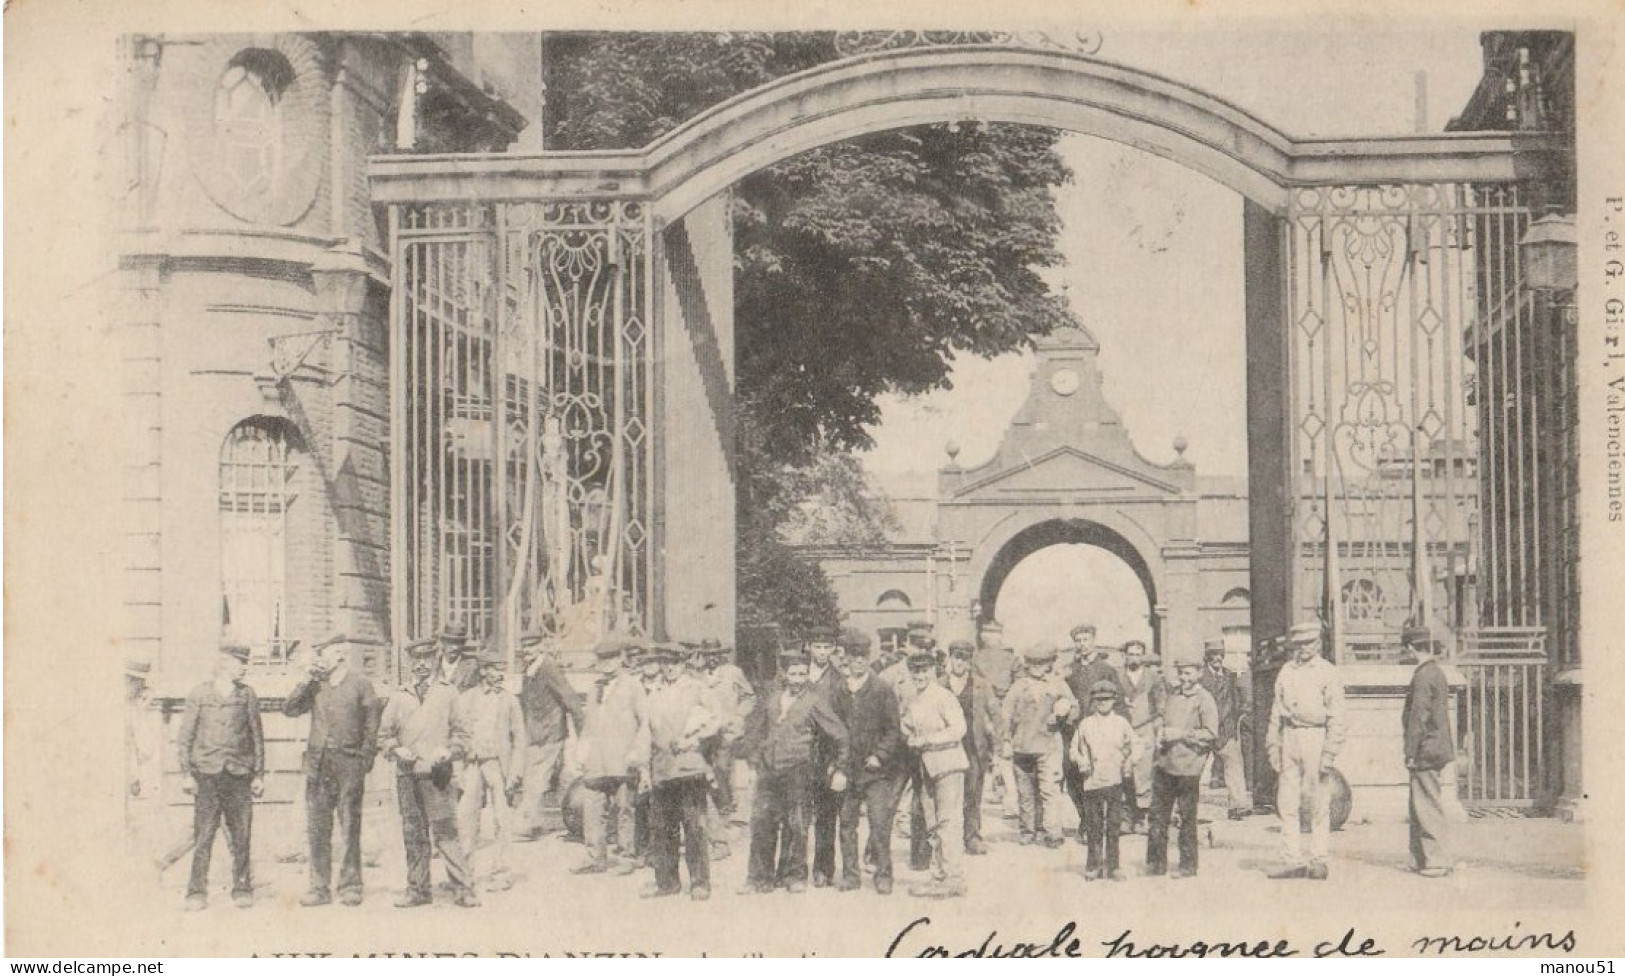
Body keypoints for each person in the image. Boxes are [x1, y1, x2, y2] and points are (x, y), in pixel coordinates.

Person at [739, 647, 850, 895]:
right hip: (769, 769)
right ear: (784, 674)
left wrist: (840, 768)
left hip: (799, 770)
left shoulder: (814, 702)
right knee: (761, 822)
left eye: (803, 674)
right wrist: (753, 764)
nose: (798, 680)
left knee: (797, 824)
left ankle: (794, 875)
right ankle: (759, 877)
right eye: (794, 674)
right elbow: (756, 731)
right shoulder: (771, 698)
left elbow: (841, 735)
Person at [378, 638, 479, 908]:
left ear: (436, 659)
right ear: (410, 662)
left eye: (426, 658)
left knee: (446, 833)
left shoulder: (448, 693)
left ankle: (463, 888)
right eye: (416, 659)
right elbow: (383, 736)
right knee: (413, 834)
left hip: (438, 775)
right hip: (407, 776)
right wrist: (395, 750)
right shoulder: (399, 696)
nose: (421, 665)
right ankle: (418, 890)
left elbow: (464, 735)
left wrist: (449, 751)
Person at [283, 633, 381, 907]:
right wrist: (306, 681)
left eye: (322, 653)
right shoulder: (315, 685)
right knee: (317, 827)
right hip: (318, 763)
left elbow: (372, 726)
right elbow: (289, 709)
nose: (318, 659)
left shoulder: (361, 684)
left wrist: (364, 760)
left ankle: (351, 885)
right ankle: (319, 887)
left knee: (350, 825)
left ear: (339, 654)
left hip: (349, 763)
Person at [177, 640, 265, 910]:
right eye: (241, 663)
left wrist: (259, 774)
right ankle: (196, 892)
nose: (245, 669)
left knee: (242, 834)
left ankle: (242, 887)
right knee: (204, 835)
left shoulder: (247, 695)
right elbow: (185, 738)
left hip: (239, 774)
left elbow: (257, 737)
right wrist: (186, 774)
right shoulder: (199, 694)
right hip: (207, 774)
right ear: (225, 664)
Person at [1266, 622, 1347, 881]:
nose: (1304, 648)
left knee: (1318, 801)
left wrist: (1329, 753)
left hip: (1315, 736)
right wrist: (1273, 746)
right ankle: (1291, 859)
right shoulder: (1286, 672)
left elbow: (1338, 716)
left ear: (1318, 643)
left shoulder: (1327, 672)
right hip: (1289, 736)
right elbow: (1275, 713)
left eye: (1309, 643)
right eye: (1299, 644)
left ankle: (1318, 858)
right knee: (1287, 801)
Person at [640, 644, 719, 899]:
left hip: (689, 767)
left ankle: (699, 882)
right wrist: (643, 769)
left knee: (694, 825)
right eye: (664, 662)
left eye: (674, 662)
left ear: (683, 663)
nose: (669, 667)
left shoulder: (696, 688)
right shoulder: (654, 693)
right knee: (662, 827)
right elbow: (645, 732)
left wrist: (697, 739)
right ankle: (667, 882)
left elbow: (717, 718)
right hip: (662, 768)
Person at [829, 634, 904, 894]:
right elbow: (830, 731)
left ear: (868, 658)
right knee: (847, 823)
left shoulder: (882, 689)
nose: (858, 662)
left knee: (879, 823)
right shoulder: (838, 691)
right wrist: (836, 766)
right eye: (853, 657)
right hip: (848, 770)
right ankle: (850, 876)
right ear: (846, 659)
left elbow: (894, 731)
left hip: (875, 771)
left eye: (862, 657)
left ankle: (883, 875)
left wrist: (879, 755)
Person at [452, 645, 528, 891]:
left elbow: (520, 739)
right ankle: (463, 874)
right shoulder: (465, 699)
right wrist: (457, 770)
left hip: (499, 766)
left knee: (502, 821)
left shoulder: (509, 701)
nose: (500, 673)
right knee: (466, 819)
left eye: (501, 669)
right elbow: (456, 736)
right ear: (483, 671)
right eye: (495, 669)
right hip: (472, 765)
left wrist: (515, 772)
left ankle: (502, 873)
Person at [571, 639, 646, 875]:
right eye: (602, 660)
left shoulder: (633, 686)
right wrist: (581, 750)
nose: (606, 665)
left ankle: (626, 857)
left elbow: (645, 722)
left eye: (611, 659)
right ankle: (595, 857)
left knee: (625, 809)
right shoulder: (595, 689)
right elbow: (588, 723)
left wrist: (638, 752)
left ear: (620, 659)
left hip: (623, 760)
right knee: (593, 810)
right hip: (597, 761)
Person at [901, 649, 970, 898]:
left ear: (933, 671)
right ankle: (938, 876)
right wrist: (908, 735)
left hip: (948, 765)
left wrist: (928, 740)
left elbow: (959, 729)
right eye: (915, 670)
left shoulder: (944, 696)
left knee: (948, 822)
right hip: (926, 767)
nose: (919, 675)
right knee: (932, 823)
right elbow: (907, 725)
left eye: (924, 670)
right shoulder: (913, 697)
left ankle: (954, 878)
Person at [1146, 660, 1218, 878]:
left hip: (1189, 767)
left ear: (1198, 673)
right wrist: (1159, 731)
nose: (1184, 678)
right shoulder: (1173, 695)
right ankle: (1156, 864)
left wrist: (1181, 733)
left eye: (1188, 673)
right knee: (1158, 817)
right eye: (1180, 673)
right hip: (1165, 764)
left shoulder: (1205, 700)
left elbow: (1211, 734)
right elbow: (1162, 719)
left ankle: (1187, 865)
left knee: (1187, 819)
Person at [1002, 641, 1077, 847]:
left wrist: (1064, 712)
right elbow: (1005, 715)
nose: (1037, 668)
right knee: (1025, 791)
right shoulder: (1019, 686)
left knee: (1049, 790)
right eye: (1033, 663)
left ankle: (1052, 832)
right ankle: (1028, 830)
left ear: (1051, 664)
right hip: (1022, 746)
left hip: (1048, 745)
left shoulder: (1058, 685)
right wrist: (1006, 741)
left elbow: (1075, 709)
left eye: (1042, 663)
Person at [515, 628, 584, 841]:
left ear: (540, 646)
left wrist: (584, 733)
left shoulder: (548, 667)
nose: (527, 651)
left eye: (531, 646)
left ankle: (528, 825)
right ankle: (575, 821)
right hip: (534, 733)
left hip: (549, 733)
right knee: (554, 778)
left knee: (536, 779)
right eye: (524, 647)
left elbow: (569, 697)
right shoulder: (529, 669)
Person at [1069, 680, 1138, 881]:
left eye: (1107, 699)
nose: (1103, 703)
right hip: (1092, 782)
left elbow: (1137, 744)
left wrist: (1130, 762)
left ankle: (1114, 866)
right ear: (1093, 702)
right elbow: (1074, 749)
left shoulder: (1121, 723)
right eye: (1099, 700)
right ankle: (1093, 865)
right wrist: (1081, 760)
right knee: (1094, 826)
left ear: (1114, 700)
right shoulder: (1086, 724)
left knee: (1113, 826)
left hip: (1115, 781)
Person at [1402, 627, 1454, 878]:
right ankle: (1420, 858)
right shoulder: (1436, 672)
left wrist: (1410, 751)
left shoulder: (1423, 676)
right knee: (1419, 803)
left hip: (1426, 749)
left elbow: (1418, 717)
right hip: (1434, 746)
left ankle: (1437, 860)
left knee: (1426, 804)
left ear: (1411, 649)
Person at [943, 640, 1001, 856]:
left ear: (970, 661)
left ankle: (972, 837)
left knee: (972, 794)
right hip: (946, 749)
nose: (959, 662)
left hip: (973, 748)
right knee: (946, 796)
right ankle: (946, 840)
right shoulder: (940, 685)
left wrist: (1001, 742)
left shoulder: (981, 685)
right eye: (956, 657)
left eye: (964, 658)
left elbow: (995, 714)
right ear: (949, 659)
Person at [1064, 625, 1123, 832]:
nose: (1082, 644)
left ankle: (1099, 822)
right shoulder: (1070, 671)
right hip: (1075, 732)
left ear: (1094, 640)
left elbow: (1120, 700)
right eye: (1078, 640)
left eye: (1085, 639)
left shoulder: (1106, 670)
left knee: (1099, 778)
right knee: (1073, 777)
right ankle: (1085, 820)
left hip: (1101, 731)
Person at [803, 627, 844, 887]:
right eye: (817, 646)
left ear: (833, 650)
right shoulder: (795, 673)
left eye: (826, 647)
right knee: (794, 813)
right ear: (809, 647)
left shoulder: (839, 680)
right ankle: (791, 868)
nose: (821, 652)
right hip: (799, 751)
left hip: (825, 753)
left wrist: (837, 759)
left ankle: (823, 869)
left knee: (826, 813)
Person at [701, 639, 756, 824]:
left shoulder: (733, 673)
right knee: (706, 769)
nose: (712, 659)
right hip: (704, 730)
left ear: (721, 655)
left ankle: (727, 805)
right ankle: (713, 806)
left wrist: (739, 715)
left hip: (727, 729)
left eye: (715, 655)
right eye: (708, 655)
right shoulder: (698, 676)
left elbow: (749, 697)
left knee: (722, 766)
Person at [1198, 638, 1251, 820]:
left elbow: (1237, 699)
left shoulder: (1229, 676)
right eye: (1213, 655)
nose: (1217, 658)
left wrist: (1237, 718)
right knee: (1194, 768)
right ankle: (1186, 809)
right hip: (1204, 729)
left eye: (1220, 654)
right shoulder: (1199, 678)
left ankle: (1238, 806)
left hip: (1226, 729)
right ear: (1206, 657)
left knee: (1234, 765)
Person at [1117, 640, 1164, 833]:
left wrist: (1158, 728)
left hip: (1145, 728)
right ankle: (1126, 817)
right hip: (1122, 730)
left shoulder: (1152, 678)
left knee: (1144, 773)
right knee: (1123, 771)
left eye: (1138, 654)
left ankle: (1143, 817)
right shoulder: (1117, 676)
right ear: (1125, 655)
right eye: (1131, 654)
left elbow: (1160, 704)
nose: (1134, 658)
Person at [435, 620, 481, 692]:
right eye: (450, 642)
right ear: (443, 642)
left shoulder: (472, 666)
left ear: (463, 645)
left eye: (458, 643)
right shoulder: (434, 664)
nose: (455, 647)